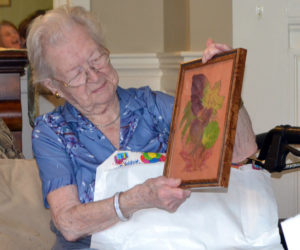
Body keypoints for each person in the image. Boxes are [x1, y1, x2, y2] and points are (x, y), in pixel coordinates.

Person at [27, 6, 258, 249]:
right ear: (53, 86)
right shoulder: (52, 132)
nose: (95, 76)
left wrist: (226, 85)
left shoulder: (152, 106)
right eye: (76, 74)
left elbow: (241, 151)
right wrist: (136, 200)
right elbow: (69, 224)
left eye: (96, 59)